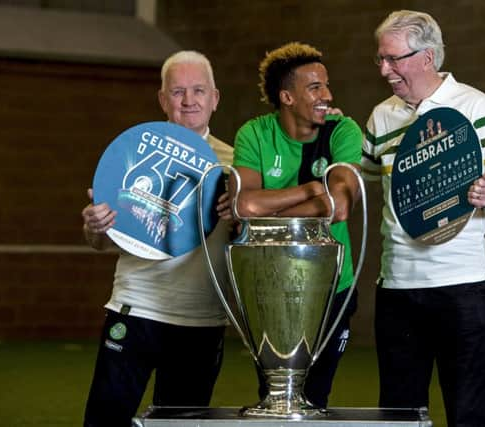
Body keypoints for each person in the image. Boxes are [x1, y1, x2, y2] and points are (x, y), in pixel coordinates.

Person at [361, 10, 485, 427]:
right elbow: (358, 181)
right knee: (398, 413)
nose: (385, 69)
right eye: (380, 59)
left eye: (394, 59)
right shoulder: (381, 117)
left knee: (468, 413)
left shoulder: (474, 105)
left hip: (460, 287)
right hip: (396, 288)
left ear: (427, 57)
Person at [81, 50, 233, 427]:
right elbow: (101, 241)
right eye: (177, 91)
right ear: (163, 99)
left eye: (198, 90)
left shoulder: (236, 165)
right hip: (135, 308)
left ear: (215, 98)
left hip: (201, 320)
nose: (188, 100)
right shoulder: (131, 153)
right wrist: (94, 226)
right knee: (105, 421)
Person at [231, 42, 362, 408]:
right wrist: (310, 188)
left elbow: (338, 207)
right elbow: (244, 204)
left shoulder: (342, 130)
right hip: (269, 282)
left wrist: (266, 211)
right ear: (287, 96)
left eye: (326, 85)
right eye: (315, 87)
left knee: (315, 397)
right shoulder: (255, 133)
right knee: (273, 396)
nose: (327, 95)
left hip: (334, 283)